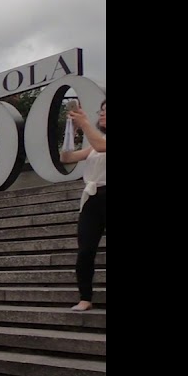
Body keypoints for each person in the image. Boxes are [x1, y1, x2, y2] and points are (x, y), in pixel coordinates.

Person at [61, 99, 106, 312]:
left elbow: (101, 145)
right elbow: (67, 158)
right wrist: (71, 130)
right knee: (86, 249)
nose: (103, 115)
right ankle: (85, 297)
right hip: (93, 197)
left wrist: (85, 122)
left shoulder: (99, 143)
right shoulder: (94, 145)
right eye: (102, 111)